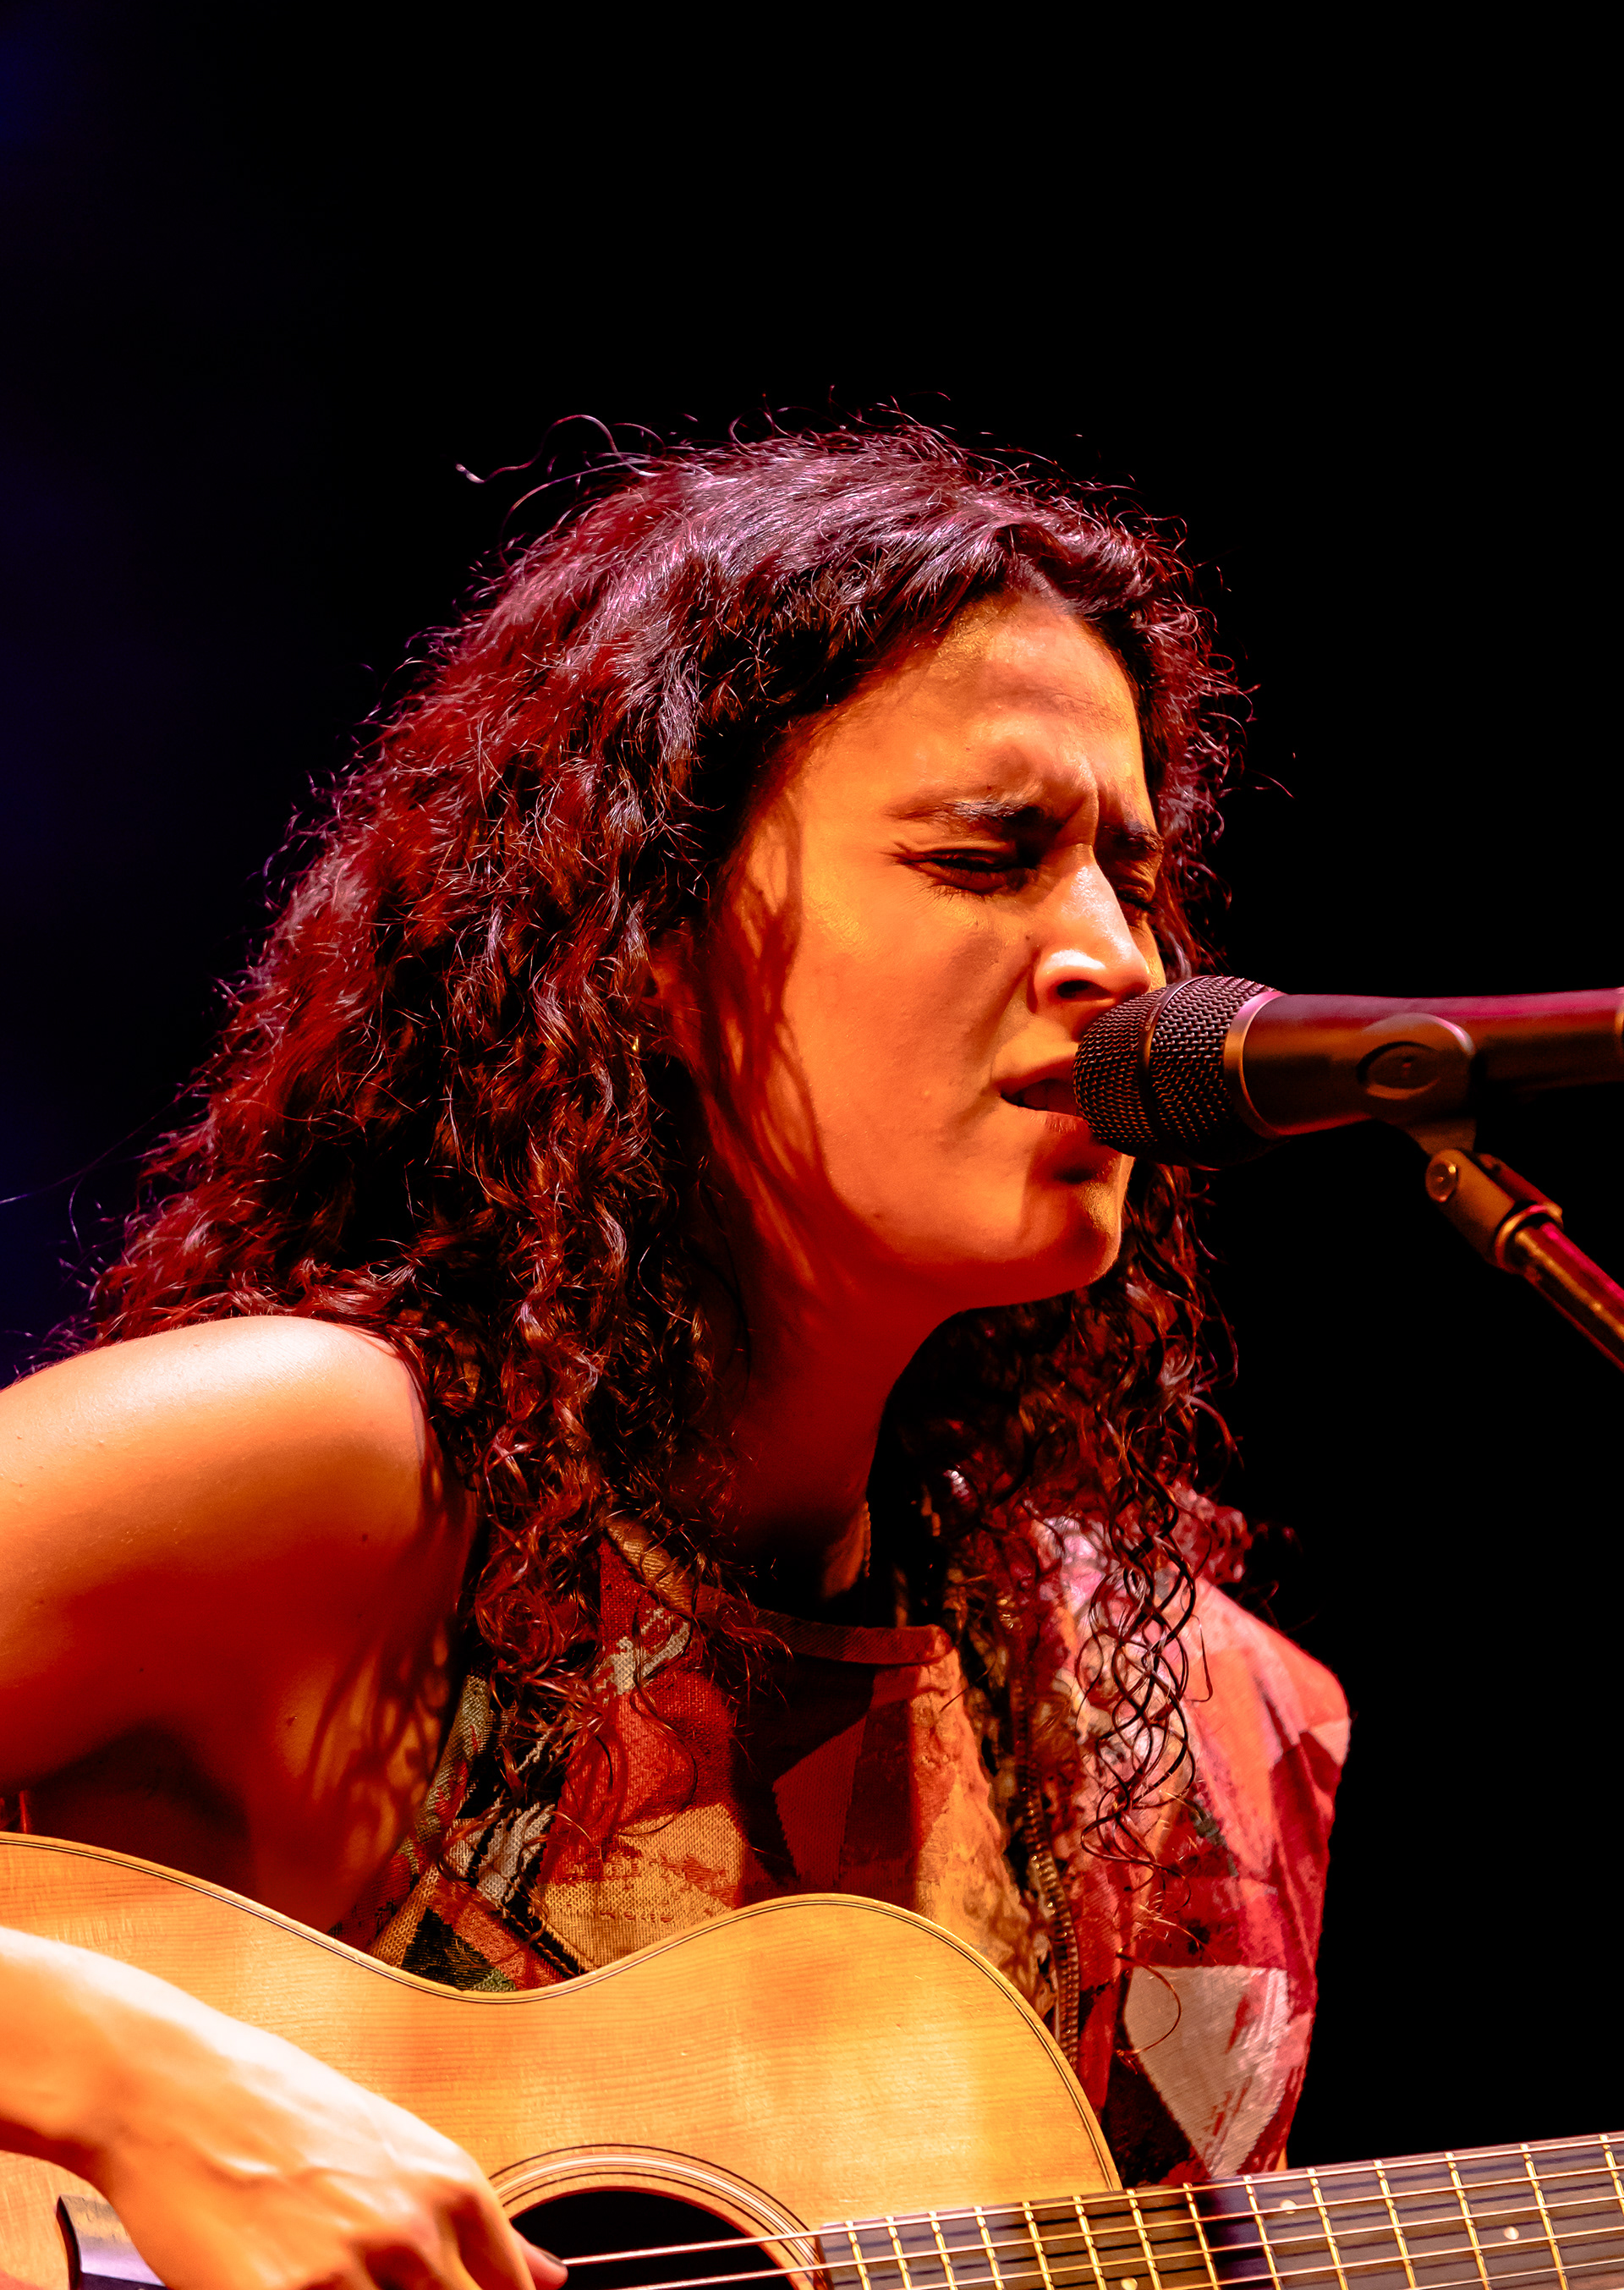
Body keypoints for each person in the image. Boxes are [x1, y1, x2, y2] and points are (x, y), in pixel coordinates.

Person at [0, 430, 1347, 2288]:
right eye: (986, 858)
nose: (1117, 961)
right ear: (654, 942)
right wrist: (129, 2082)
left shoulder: (1176, 1725)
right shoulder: (324, 1468)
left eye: (1135, 875)